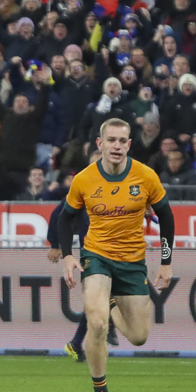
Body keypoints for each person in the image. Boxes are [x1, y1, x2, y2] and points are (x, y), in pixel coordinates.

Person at [58, 118, 176, 392]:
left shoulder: (145, 176)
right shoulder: (84, 179)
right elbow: (65, 218)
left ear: (129, 145)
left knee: (139, 337)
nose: (117, 146)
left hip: (133, 261)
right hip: (96, 256)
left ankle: (110, 304)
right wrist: (69, 255)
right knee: (96, 324)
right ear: (100, 144)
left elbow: (167, 217)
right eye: (111, 140)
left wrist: (166, 261)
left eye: (122, 141)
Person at [46, 152, 119, 362]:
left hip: (117, 248)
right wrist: (56, 244)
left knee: (99, 298)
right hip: (93, 251)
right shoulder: (83, 187)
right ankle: (108, 326)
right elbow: (58, 214)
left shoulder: (120, 186)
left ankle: (77, 343)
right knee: (104, 295)